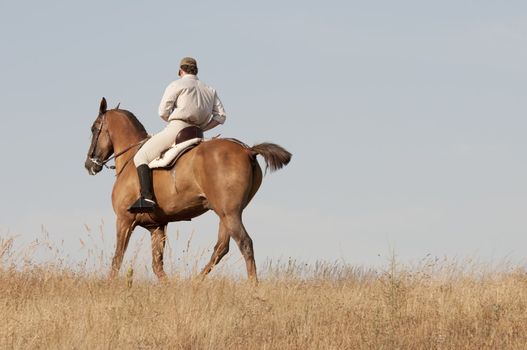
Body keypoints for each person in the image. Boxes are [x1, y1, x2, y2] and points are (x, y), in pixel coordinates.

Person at [129, 57, 227, 213]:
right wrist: (204, 127)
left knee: (140, 157)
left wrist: (173, 121)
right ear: (196, 70)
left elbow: (162, 112)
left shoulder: (176, 84)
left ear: (180, 70)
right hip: (198, 133)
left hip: (177, 128)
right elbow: (221, 117)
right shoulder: (210, 90)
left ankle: (147, 198)